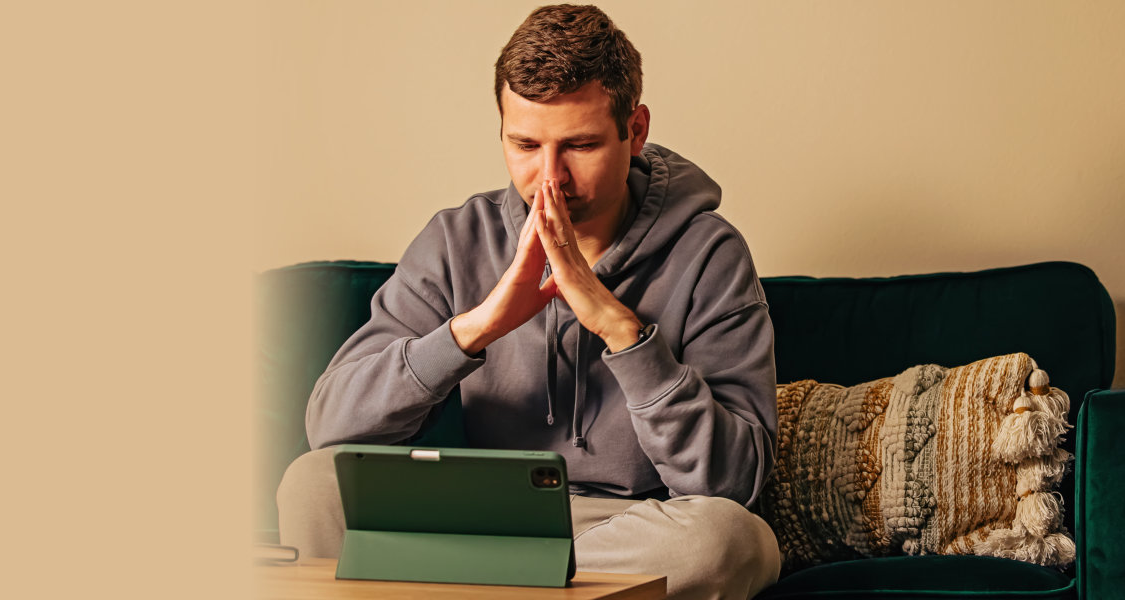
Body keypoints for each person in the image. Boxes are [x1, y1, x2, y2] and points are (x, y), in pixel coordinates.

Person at [275, 5, 780, 598]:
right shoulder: (455, 239)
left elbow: (734, 482)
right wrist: (477, 327)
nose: (550, 178)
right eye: (524, 144)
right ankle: (512, 581)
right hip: (483, 520)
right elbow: (329, 428)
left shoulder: (709, 253)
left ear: (635, 130)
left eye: (581, 145)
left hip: (625, 528)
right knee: (312, 482)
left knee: (728, 540)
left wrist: (623, 332)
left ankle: (490, 586)